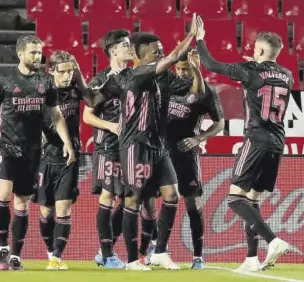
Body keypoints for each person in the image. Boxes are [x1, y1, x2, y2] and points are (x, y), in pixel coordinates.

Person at [0, 35, 75, 271]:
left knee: (22, 204)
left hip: (32, 151)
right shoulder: (3, 80)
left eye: (39, 52)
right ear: (20, 54)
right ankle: (2, 248)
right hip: (5, 146)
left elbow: (56, 116)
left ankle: (15, 256)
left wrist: (67, 143)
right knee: (3, 193)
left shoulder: (46, 83)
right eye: (32, 52)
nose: (37, 56)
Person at [196, 15, 293, 271]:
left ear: (260, 50)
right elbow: (266, 79)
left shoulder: (250, 71)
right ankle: (251, 258)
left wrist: (199, 39)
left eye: (255, 49)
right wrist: (256, 67)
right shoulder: (287, 75)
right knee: (252, 200)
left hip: (256, 138)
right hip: (276, 142)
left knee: (234, 199)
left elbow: (210, 64)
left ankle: (273, 240)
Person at [116, 14, 199, 271]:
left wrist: (196, 68)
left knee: (172, 194)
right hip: (135, 145)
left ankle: (160, 251)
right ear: (141, 56)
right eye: (156, 52)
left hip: (158, 145)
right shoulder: (138, 74)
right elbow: (174, 58)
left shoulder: (163, 78)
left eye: (161, 51)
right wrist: (192, 34)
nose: (160, 55)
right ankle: (132, 259)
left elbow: (194, 91)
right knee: (134, 199)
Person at [35, 50, 108, 270]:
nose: (67, 75)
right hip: (44, 157)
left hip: (70, 156)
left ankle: (57, 256)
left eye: (70, 70)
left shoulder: (76, 90)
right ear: (51, 71)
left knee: (63, 209)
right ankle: (50, 250)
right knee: (46, 211)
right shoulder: (41, 91)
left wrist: (81, 78)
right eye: (63, 71)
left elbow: (93, 99)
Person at [83, 29, 134, 269]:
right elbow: (87, 116)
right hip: (107, 147)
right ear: (113, 50)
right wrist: (112, 126)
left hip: (130, 148)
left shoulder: (134, 76)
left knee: (128, 200)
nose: (129, 47)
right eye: (125, 44)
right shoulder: (100, 80)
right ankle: (107, 254)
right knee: (108, 196)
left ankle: (105, 251)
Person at [170, 49, 225, 269]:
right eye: (180, 68)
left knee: (192, 204)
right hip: (161, 153)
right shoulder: (167, 86)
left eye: (187, 68)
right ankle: (154, 249)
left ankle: (198, 256)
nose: (183, 73)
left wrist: (198, 138)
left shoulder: (206, 92)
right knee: (154, 202)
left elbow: (219, 123)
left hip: (186, 154)